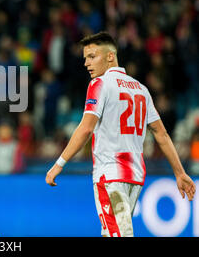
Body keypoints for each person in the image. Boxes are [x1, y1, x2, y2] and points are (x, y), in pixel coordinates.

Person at [45, 31, 196, 237]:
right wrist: (179, 172)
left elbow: (86, 128)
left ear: (110, 56)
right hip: (135, 176)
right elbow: (161, 134)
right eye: (85, 58)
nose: (86, 63)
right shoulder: (141, 88)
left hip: (110, 175)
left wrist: (58, 164)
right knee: (114, 233)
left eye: (92, 56)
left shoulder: (100, 84)